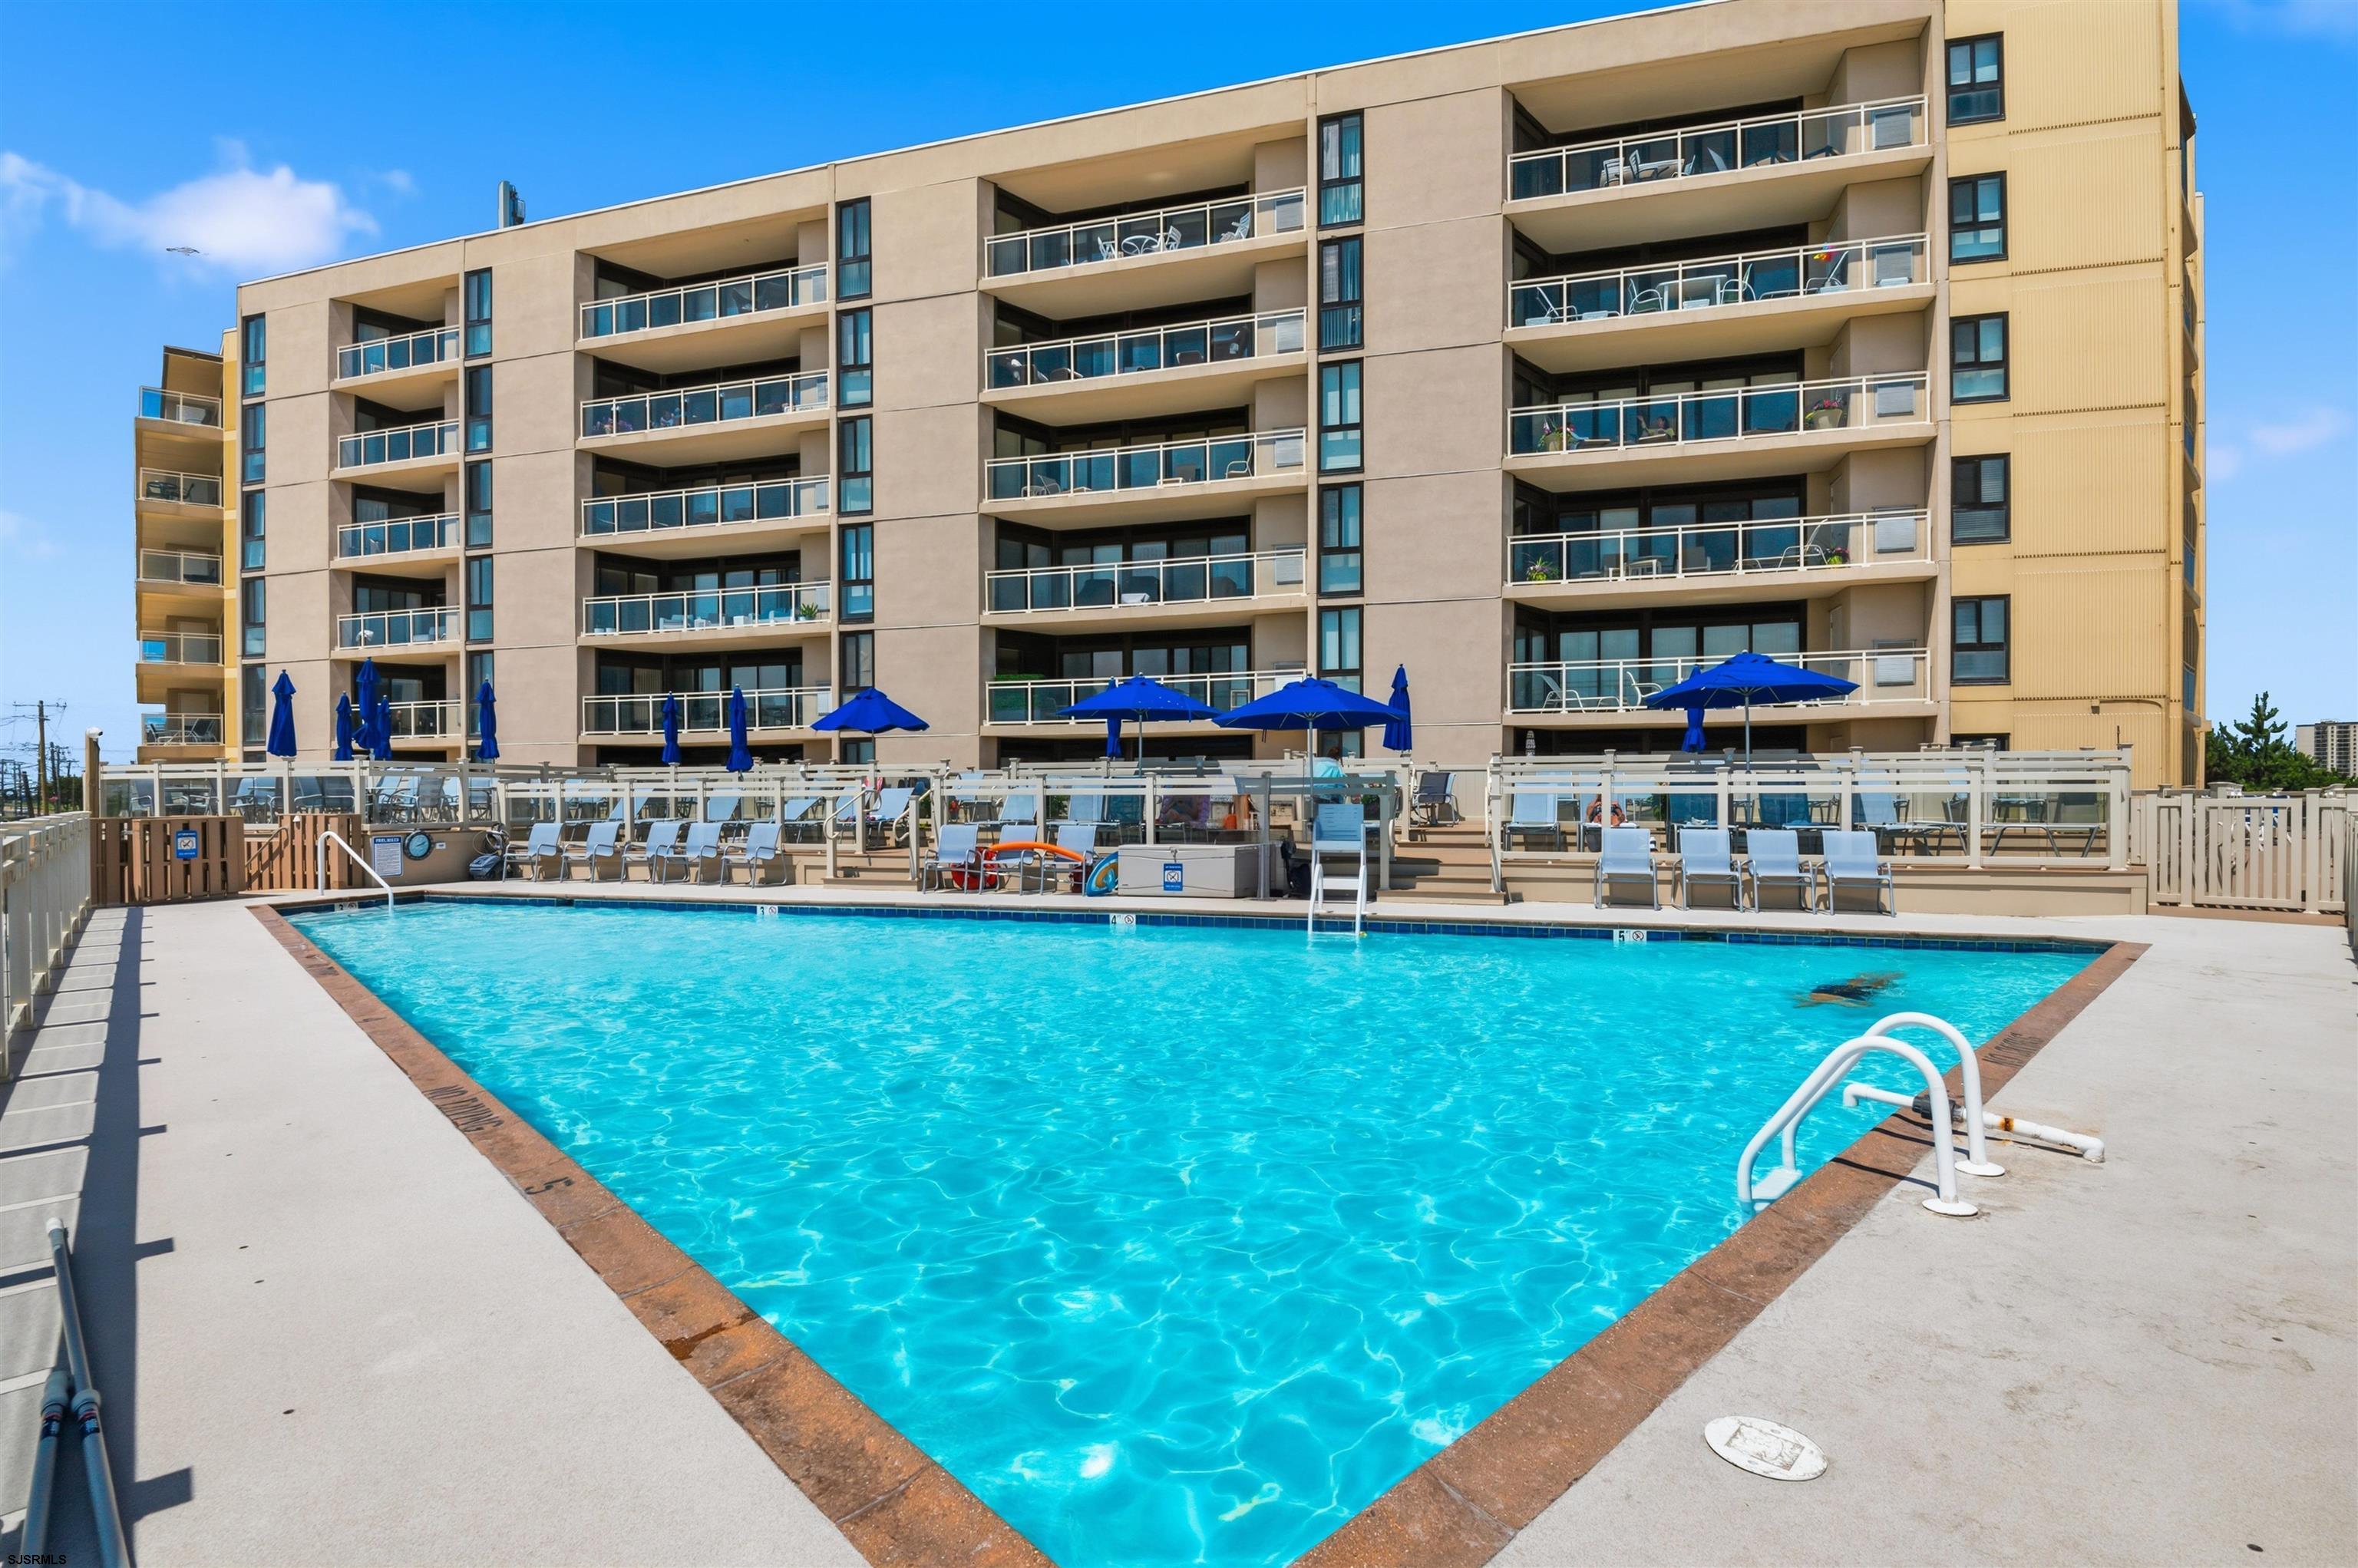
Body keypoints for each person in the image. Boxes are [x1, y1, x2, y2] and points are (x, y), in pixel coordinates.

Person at [1795, 971, 1902, 1008]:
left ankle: (1887, 977)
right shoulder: (1810, 996)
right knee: (1853, 987)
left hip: (1832, 994)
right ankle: (1885, 977)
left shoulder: (1810, 997)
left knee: (1868, 988)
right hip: (1827, 992)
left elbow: (1864, 1005)